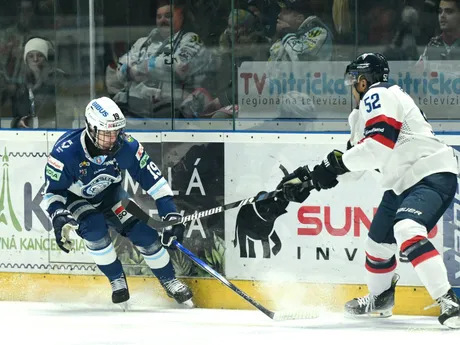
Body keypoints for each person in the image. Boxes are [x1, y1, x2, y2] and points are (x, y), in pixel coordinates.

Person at [277, 53, 460, 328]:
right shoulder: (362, 114)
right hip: (402, 183)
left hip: (430, 173)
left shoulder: (379, 93)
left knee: (407, 229)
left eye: (353, 81)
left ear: (363, 81)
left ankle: (449, 301)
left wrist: (333, 166)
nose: (351, 88)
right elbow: (355, 165)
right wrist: (312, 179)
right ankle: (381, 297)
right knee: (376, 245)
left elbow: (377, 148)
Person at [40, 96, 193, 308]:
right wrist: (58, 215)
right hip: (78, 200)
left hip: (111, 196)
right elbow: (52, 192)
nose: (112, 139)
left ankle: (169, 280)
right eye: (106, 133)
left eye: (116, 132)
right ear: (91, 128)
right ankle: (116, 279)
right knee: (94, 229)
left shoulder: (126, 146)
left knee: (144, 233)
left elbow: (154, 181)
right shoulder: (65, 153)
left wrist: (170, 215)